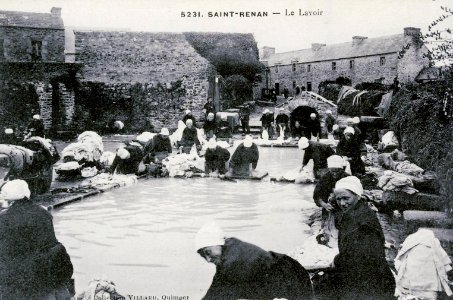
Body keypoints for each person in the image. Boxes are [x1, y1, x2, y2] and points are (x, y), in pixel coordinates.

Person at [195, 222, 314, 300]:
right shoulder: (229, 246)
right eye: (203, 256)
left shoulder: (232, 261)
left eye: (208, 252)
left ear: (218, 243)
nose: (208, 259)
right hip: (287, 271)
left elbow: (217, 290)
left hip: (292, 279)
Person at [0, 180, 74, 300]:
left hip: (22, 279)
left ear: (8, 199)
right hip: (49, 271)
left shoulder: (4, 219)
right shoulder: (43, 212)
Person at [327, 176, 395, 299]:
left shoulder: (362, 219)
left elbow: (361, 256)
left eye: (346, 198)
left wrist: (338, 261)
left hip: (371, 281)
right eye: (339, 199)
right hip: (364, 274)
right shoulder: (356, 211)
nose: (342, 203)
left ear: (357, 195)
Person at [313, 155, 349, 222]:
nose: (335, 174)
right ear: (329, 169)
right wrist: (324, 205)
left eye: (337, 171)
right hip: (328, 205)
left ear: (342, 169)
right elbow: (317, 195)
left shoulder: (347, 177)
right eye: (332, 171)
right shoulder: (324, 178)